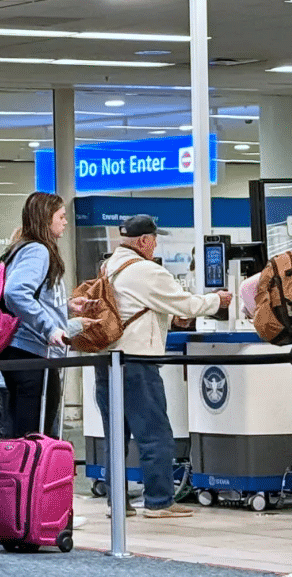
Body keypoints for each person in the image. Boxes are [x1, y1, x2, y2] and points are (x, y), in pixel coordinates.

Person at [96, 214, 231, 519]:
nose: (155, 245)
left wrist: (169, 318)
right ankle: (159, 501)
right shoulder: (146, 270)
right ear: (144, 241)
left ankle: (116, 502)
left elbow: (137, 307)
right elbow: (186, 303)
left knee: (115, 435)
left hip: (108, 360)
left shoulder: (109, 266)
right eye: (154, 239)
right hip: (138, 362)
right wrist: (216, 300)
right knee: (155, 433)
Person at [1, 193, 86, 440]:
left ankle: (27, 478)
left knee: (28, 430)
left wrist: (65, 307)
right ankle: (30, 479)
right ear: (45, 218)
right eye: (61, 216)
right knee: (35, 435)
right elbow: (16, 292)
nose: (65, 222)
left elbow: (33, 296)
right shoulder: (38, 250)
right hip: (32, 353)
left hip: (24, 353)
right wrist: (50, 328)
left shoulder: (25, 249)